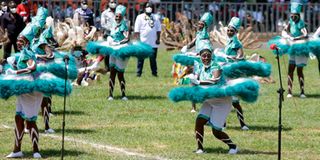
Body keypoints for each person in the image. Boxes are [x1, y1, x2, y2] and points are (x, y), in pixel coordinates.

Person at [192, 48, 238, 154]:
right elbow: (195, 82)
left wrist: (199, 82)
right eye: (204, 56)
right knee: (199, 122)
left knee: (216, 132)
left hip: (222, 101)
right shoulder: (199, 67)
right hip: (209, 99)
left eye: (208, 55)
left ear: (211, 56)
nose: (206, 58)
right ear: (200, 56)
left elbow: (215, 81)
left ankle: (233, 146)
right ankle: (200, 149)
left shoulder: (216, 66)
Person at [222, 17, 249, 130]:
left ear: (236, 32)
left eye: (231, 31)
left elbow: (241, 56)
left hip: (233, 75)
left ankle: (243, 124)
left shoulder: (236, 42)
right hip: (227, 73)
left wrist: (231, 58)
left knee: (234, 101)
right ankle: (222, 123)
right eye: (228, 30)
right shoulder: (229, 41)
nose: (229, 32)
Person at [282, 2, 308, 98]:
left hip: (300, 47)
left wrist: (295, 38)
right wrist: (286, 35)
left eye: (294, 16)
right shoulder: (290, 21)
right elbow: (285, 30)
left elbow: (305, 35)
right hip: (292, 47)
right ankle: (289, 91)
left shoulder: (300, 23)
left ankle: (302, 92)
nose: (293, 17)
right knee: (290, 69)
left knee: (299, 70)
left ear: (298, 15)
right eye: (291, 16)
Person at [107, 5, 130, 101]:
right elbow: (110, 35)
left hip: (121, 51)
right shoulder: (113, 24)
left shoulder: (124, 25)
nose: (117, 18)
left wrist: (119, 42)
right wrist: (110, 39)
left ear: (122, 16)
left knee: (120, 74)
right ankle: (110, 95)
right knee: (112, 73)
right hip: (113, 50)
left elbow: (127, 38)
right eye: (116, 16)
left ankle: (123, 95)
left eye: (119, 16)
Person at [135, 2, 161, 77]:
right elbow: (137, 31)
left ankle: (154, 73)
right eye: (147, 6)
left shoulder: (156, 17)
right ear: (144, 8)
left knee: (153, 59)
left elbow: (158, 29)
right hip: (143, 42)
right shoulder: (139, 17)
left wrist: (158, 39)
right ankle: (138, 73)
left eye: (150, 6)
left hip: (153, 42)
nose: (149, 8)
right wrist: (137, 40)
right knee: (140, 59)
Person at [100, 0, 117, 72]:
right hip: (108, 34)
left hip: (116, 34)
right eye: (112, 2)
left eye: (114, 2)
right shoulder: (105, 13)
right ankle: (107, 68)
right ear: (109, 3)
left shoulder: (119, 12)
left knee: (115, 51)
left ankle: (114, 67)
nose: (113, 4)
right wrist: (111, 29)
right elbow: (103, 24)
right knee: (107, 52)